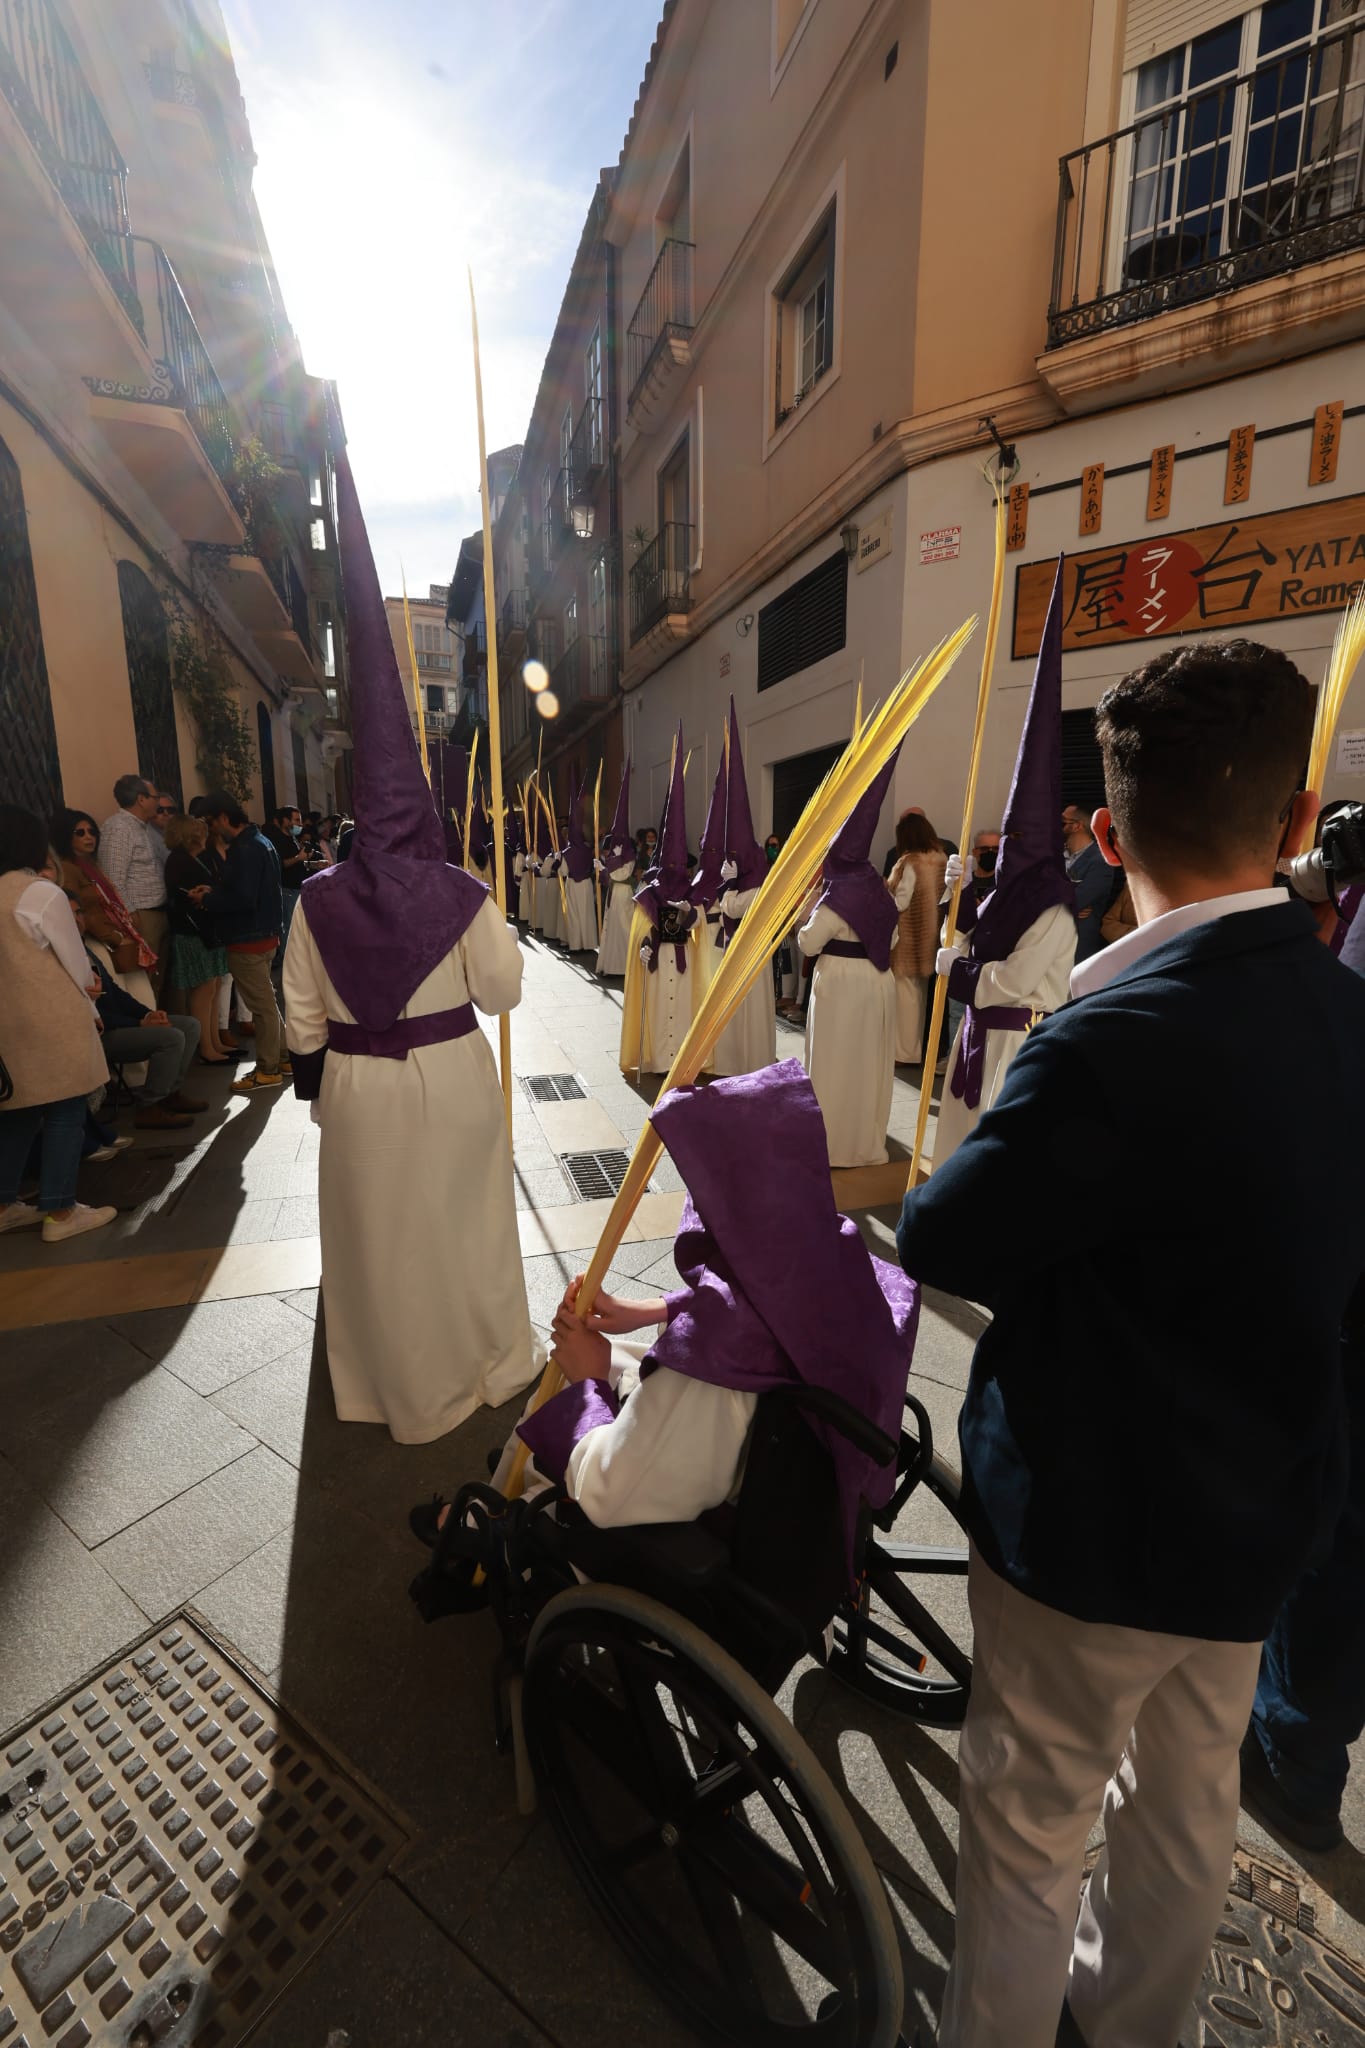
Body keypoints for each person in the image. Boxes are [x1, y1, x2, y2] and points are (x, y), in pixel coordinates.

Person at [895, 635, 1365, 2048]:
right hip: (1261, 1519)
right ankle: (1135, 2026)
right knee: (1186, 1800)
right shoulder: (1349, 1016)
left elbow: (943, 1241)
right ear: (1295, 824)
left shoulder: (1111, 1033)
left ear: (1104, 836)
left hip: (1092, 1529)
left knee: (1030, 1834)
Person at [412, 1060, 918, 1573]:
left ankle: (506, 1522)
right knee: (603, 1363)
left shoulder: (714, 1363)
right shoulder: (832, 1254)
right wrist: (650, 1310)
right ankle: (521, 1475)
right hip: (785, 1466)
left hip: (692, 1518)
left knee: (566, 1378)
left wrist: (591, 1385)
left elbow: (610, 1492)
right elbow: (773, 1303)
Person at [284, 442, 536, 1445]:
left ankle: (388, 1385)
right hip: (453, 1071)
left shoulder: (315, 896)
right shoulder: (461, 890)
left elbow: (300, 1012)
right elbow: (506, 991)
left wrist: (320, 1082)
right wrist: (492, 919)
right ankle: (485, 1364)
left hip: (356, 1089)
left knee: (377, 1241)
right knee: (463, 1225)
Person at [934, 564, 1078, 1167]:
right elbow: (973, 937)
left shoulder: (1054, 911)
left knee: (995, 1160)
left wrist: (957, 973)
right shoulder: (1007, 896)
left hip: (1015, 1046)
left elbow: (1013, 980)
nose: (1009, 848)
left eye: (1020, 837)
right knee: (959, 1149)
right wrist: (959, 895)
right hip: (977, 1033)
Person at [0, 805, 117, 1244]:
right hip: (52, 1016)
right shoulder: (40, 892)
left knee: (16, 1113)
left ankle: (4, 1204)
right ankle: (62, 1211)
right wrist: (92, 1006)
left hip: (7, 1022)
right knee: (67, 1109)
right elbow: (76, 962)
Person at [797, 750, 900, 1168]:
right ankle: (865, 1141)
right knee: (867, 1062)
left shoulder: (835, 896)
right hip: (877, 981)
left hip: (840, 982)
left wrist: (804, 914)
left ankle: (834, 1144)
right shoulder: (879, 889)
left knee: (835, 1063)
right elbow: (890, 936)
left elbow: (807, 944)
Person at [79, 896, 205, 1130]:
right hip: (99, 1033)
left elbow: (115, 993)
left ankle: (170, 1093)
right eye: (70, 915)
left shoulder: (85, 950)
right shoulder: (63, 955)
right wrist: (138, 1022)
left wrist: (149, 1014)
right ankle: (150, 1106)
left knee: (189, 1025)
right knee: (171, 1037)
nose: (77, 919)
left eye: (79, 913)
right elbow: (88, 1014)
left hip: (122, 1023)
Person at [189, 795, 286, 1094]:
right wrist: (217, 891)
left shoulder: (245, 848)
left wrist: (208, 899)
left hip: (248, 938)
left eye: (211, 823)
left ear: (223, 817)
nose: (213, 830)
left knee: (262, 1008)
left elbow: (243, 898)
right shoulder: (261, 841)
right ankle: (282, 1058)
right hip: (263, 933)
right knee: (267, 1003)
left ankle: (269, 1068)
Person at [620, 729, 697, 1076]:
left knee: (682, 1008)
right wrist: (643, 948)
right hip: (656, 962)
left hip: (685, 962)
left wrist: (691, 914)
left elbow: (701, 925)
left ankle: (680, 1059)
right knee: (656, 1007)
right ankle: (655, 1057)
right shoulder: (648, 890)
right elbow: (638, 931)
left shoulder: (692, 887)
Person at [711, 700, 777, 1077]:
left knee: (749, 1011)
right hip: (739, 949)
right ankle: (737, 1058)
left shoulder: (757, 887)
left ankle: (750, 1061)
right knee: (737, 1010)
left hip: (749, 951)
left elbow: (731, 907)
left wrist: (729, 882)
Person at [162, 813, 237, 1064]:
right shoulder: (179, 861)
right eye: (200, 831)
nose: (205, 835)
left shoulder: (190, 859)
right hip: (193, 932)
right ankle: (206, 1047)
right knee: (204, 990)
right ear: (190, 835)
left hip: (204, 930)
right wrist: (207, 893)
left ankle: (214, 1040)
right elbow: (187, 895)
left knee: (213, 987)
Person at [51, 808, 159, 979]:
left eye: (92, 831)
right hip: (100, 941)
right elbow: (79, 911)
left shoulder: (91, 865)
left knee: (142, 994)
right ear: (66, 836)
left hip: (116, 935)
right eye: (80, 832)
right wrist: (114, 937)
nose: (89, 837)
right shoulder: (67, 869)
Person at [98, 775, 170, 998]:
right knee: (143, 981)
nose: (158, 802)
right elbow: (112, 877)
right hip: (140, 915)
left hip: (158, 911)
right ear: (141, 799)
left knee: (158, 979)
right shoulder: (119, 828)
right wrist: (130, 914)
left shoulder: (145, 827)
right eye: (155, 797)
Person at [886, 810, 948, 1064]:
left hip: (909, 938)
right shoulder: (941, 858)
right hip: (933, 937)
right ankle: (915, 1049)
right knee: (920, 998)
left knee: (905, 999)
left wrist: (883, 890)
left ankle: (904, 1053)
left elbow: (900, 902)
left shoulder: (908, 862)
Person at [595, 761, 635, 977]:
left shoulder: (629, 855)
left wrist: (611, 864)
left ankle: (625, 967)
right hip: (613, 894)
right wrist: (602, 868)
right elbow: (608, 878)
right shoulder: (614, 853)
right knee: (611, 931)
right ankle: (611, 966)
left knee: (623, 929)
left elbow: (622, 874)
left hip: (624, 894)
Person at [1063, 799, 1110, 961]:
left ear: (1077, 826)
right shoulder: (1053, 856)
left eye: (1063, 821)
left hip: (1079, 943)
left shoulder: (1100, 861)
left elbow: (1080, 899)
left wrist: (1065, 900)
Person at [558, 772, 598, 953]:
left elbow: (564, 872)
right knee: (588, 914)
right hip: (587, 884)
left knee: (574, 915)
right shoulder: (587, 849)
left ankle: (576, 946)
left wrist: (559, 863)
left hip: (573, 884)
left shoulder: (567, 852)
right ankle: (589, 944)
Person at [263, 803, 310, 940]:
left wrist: (312, 863)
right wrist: (299, 858)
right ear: (285, 821)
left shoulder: (292, 838)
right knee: (289, 930)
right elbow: (282, 863)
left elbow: (297, 861)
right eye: (296, 820)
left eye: (300, 820)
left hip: (296, 889)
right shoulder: (277, 840)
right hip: (287, 890)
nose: (299, 824)